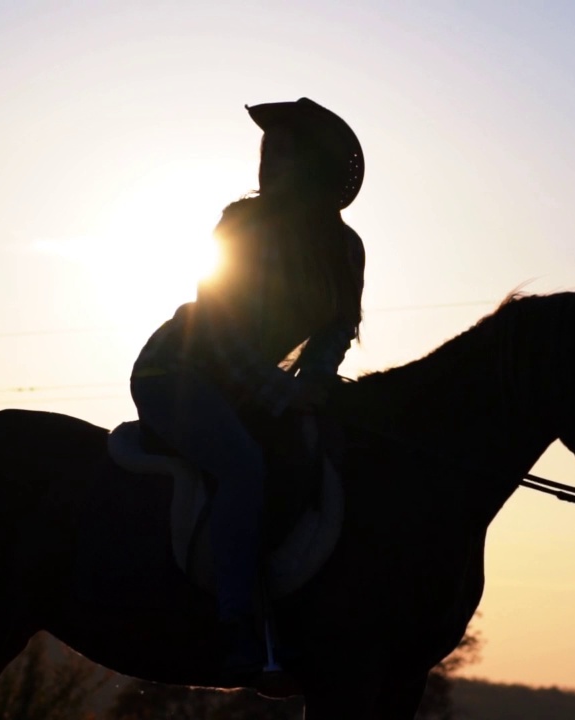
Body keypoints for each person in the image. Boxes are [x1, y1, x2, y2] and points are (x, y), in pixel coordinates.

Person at [129, 98, 365, 674]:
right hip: (177, 374)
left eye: (281, 154)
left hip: (248, 388)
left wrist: (313, 383)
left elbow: (337, 330)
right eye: (266, 152)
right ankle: (237, 626)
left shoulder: (345, 248)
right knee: (241, 466)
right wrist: (286, 393)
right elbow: (219, 330)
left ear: (312, 167)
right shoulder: (240, 223)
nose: (266, 164)